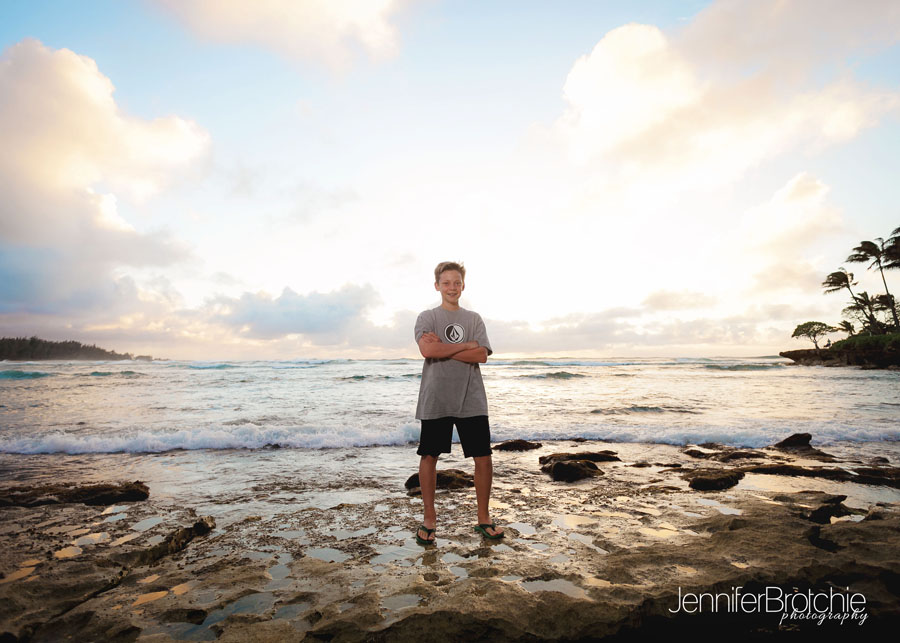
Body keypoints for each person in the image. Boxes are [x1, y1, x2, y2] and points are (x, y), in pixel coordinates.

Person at [413, 261, 504, 545]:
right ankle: (429, 519)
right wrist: (466, 345)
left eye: (457, 282)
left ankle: (484, 519)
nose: (452, 287)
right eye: (446, 282)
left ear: (463, 286)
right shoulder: (427, 317)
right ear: (437, 285)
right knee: (429, 456)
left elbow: (481, 356)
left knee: (483, 457)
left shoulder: (474, 319)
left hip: (471, 398)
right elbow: (427, 350)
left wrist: (446, 349)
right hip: (436, 398)